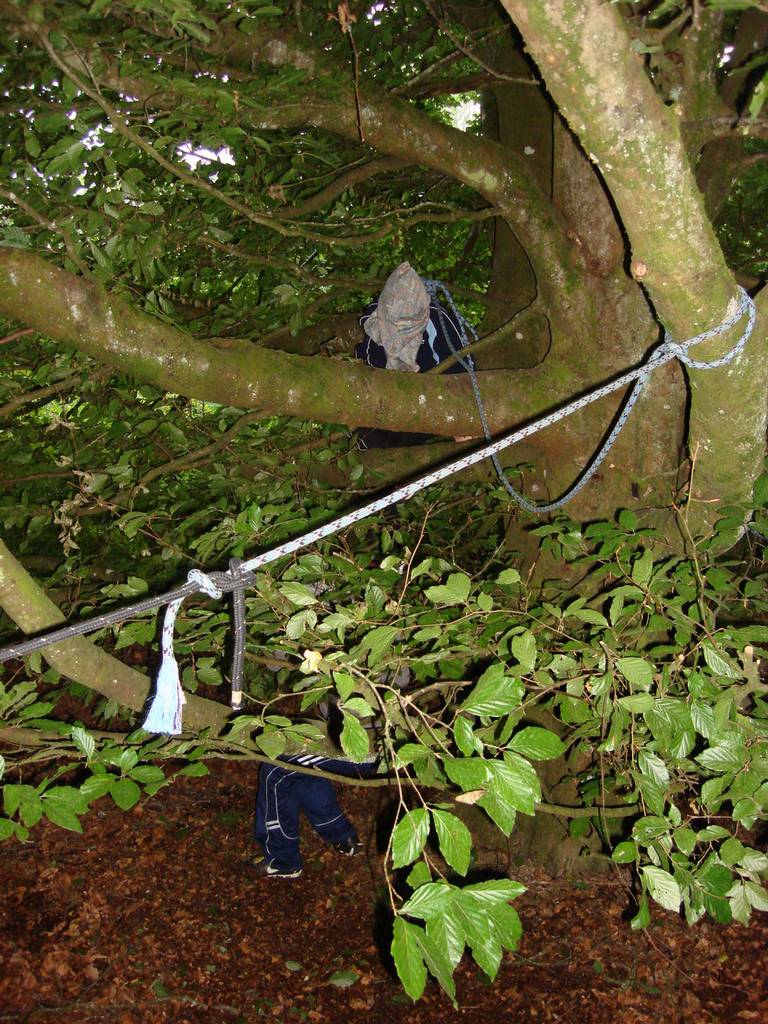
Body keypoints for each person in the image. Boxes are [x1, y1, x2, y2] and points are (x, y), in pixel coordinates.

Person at [355, 262, 475, 449]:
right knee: (368, 444)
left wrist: (462, 417)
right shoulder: (377, 321)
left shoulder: (438, 319)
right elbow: (369, 361)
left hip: (433, 400)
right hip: (389, 401)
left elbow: (461, 364)